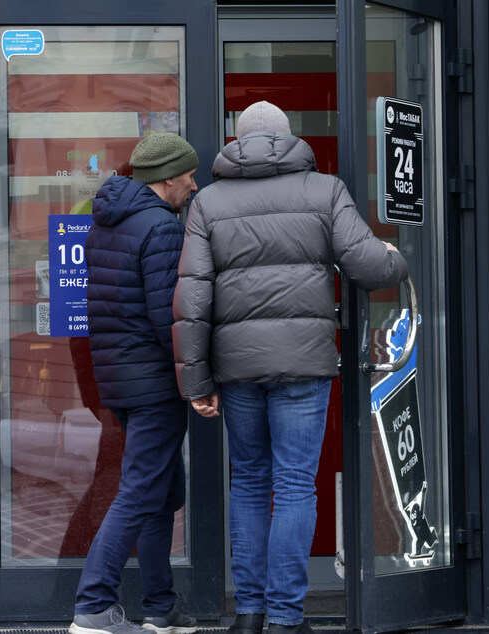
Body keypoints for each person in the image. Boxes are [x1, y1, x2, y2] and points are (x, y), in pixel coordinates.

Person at [172, 101, 409, 634]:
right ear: (287, 138)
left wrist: (196, 382)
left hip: (237, 368)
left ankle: (250, 614)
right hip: (303, 363)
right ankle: (285, 617)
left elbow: (191, 298)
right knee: (297, 484)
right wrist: (398, 256)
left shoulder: (207, 203)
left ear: (237, 141)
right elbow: (369, 265)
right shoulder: (323, 190)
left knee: (250, 482)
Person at [69, 132, 200, 634]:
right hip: (153, 384)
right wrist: (196, 379)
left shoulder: (108, 222)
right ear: (167, 177)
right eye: (187, 173)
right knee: (141, 490)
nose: (193, 182)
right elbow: (167, 317)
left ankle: (160, 607)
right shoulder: (161, 228)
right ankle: (94, 605)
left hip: (120, 380)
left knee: (162, 491)